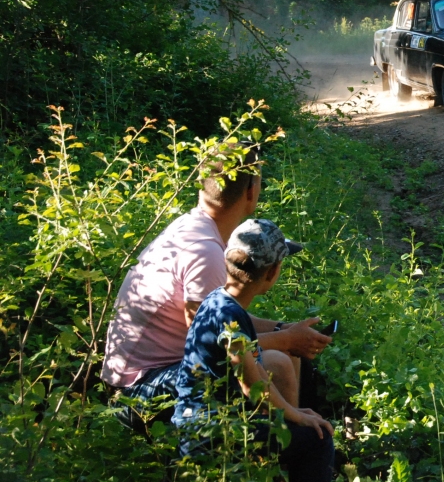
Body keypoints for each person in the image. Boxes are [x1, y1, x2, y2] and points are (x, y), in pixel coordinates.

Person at [101, 144, 331, 429]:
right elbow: (215, 344)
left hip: (145, 378)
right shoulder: (206, 253)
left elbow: (223, 321)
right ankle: (289, 449)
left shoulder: (193, 227)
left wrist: (281, 329)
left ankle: (288, 443)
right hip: (138, 394)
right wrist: (283, 340)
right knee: (276, 362)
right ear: (251, 191)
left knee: (284, 353)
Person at [173, 219, 334, 481]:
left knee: (303, 425)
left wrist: (295, 412)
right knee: (318, 438)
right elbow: (252, 386)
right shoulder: (231, 318)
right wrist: (295, 416)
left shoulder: (217, 300)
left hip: (200, 425)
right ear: (272, 272)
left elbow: (257, 373)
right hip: (211, 435)